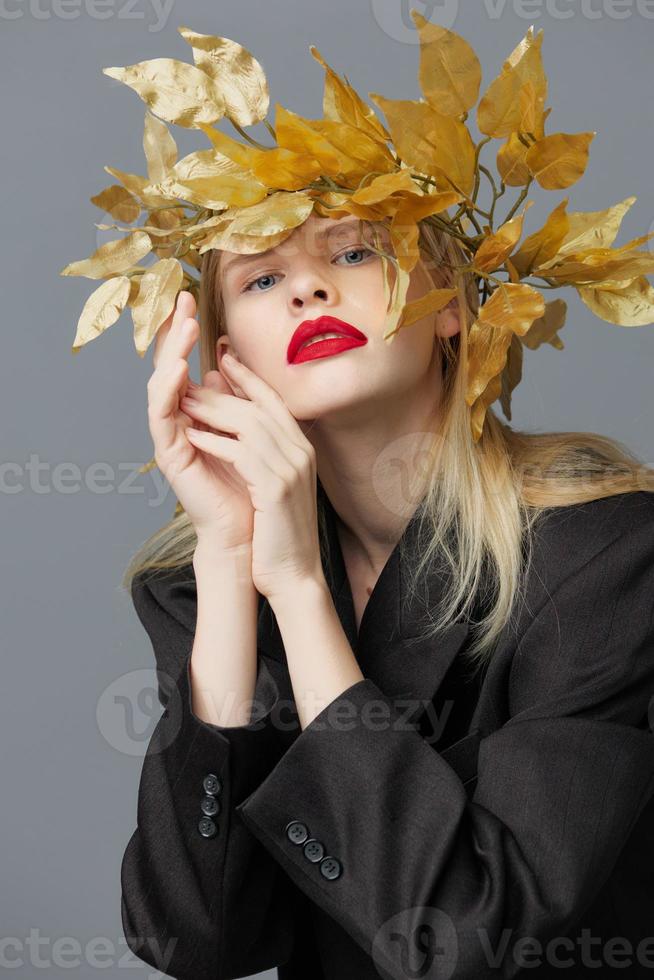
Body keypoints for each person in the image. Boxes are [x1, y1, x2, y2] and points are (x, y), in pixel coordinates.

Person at [119, 210, 654, 980]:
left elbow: (461, 937)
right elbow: (195, 940)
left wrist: (299, 589)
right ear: (229, 362)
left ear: (450, 306)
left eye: (355, 252)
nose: (307, 287)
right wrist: (233, 560)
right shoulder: (202, 589)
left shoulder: (606, 557)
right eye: (263, 278)